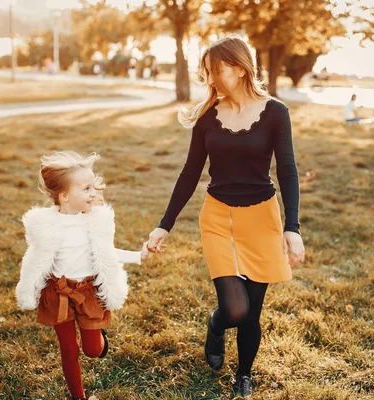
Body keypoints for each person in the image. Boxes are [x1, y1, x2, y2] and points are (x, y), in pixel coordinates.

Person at [145, 35, 305, 398]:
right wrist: (164, 225)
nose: (210, 78)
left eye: (216, 70)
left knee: (252, 312)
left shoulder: (275, 112)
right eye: (207, 72)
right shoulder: (208, 116)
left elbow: (288, 170)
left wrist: (291, 227)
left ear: (239, 67)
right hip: (218, 217)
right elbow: (189, 173)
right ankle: (215, 326)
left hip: (262, 218)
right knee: (234, 309)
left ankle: (243, 375)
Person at [15, 151, 153, 400]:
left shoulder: (94, 222)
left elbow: (105, 252)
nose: (94, 193)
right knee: (69, 349)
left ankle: (99, 337)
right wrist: (28, 289)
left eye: (94, 187)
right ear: (64, 195)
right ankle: (77, 396)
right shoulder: (45, 226)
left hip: (89, 292)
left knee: (92, 350)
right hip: (59, 293)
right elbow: (36, 259)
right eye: (87, 188)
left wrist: (137, 255)